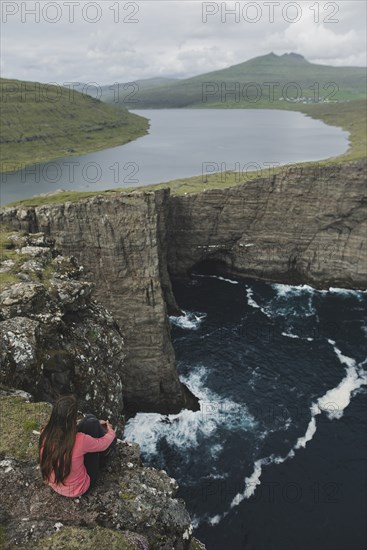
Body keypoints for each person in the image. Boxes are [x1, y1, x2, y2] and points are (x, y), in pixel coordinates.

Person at [39, 394, 117, 498]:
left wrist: (97, 423)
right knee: (93, 424)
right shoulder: (80, 440)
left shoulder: (45, 433)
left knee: (91, 419)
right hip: (78, 488)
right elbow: (104, 444)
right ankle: (105, 457)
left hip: (56, 484)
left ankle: (95, 423)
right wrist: (110, 430)